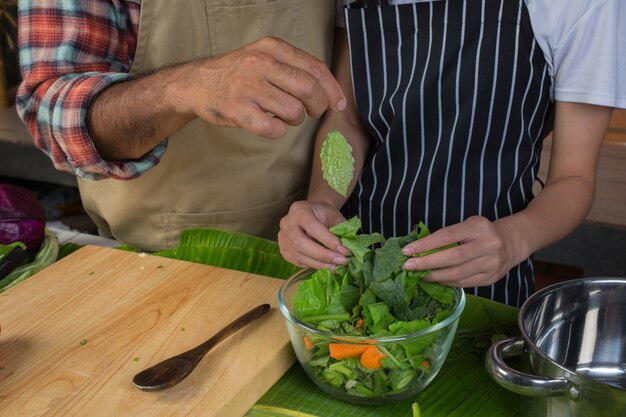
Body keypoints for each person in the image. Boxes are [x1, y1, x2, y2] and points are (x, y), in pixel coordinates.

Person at [277, 0, 626, 307]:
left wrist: (513, 240)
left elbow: (574, 177)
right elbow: (347, 120)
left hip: (486, 286)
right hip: (359, 276)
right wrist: (323, 203)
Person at [16, 0, 346, 251]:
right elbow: (54, 117)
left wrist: (324, 199)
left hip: (314, 236)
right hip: (164, 254)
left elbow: (349, 83)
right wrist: (186, 86)